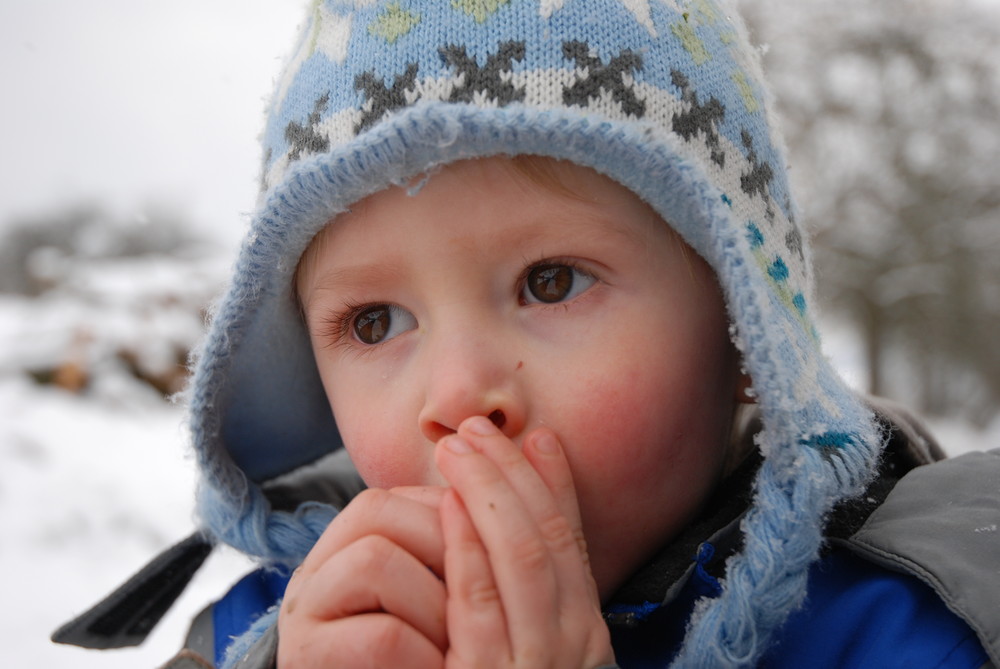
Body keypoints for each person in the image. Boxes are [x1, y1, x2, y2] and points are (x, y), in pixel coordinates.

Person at [51, 1, 999, 667]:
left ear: (746, 332)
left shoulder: (919, 629)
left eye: (550, 281)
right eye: (375, 321)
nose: (457, 395)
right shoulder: (273, 630)